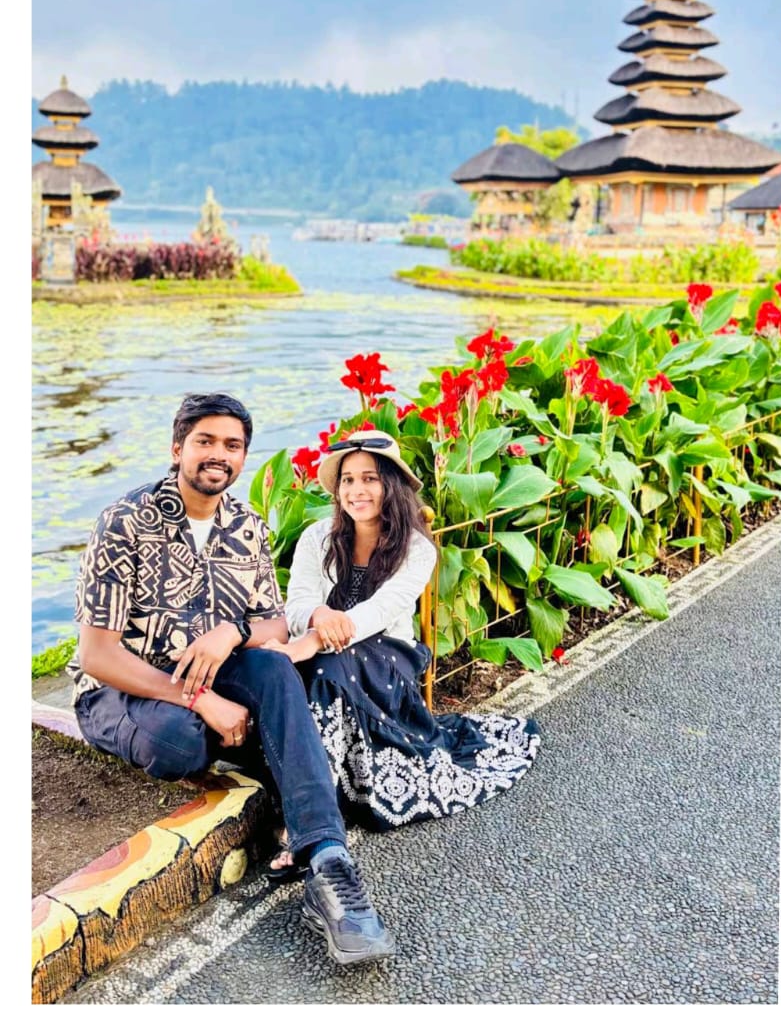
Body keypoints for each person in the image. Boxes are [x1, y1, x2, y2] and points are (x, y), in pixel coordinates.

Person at [71, 394, 395, 966]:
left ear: (243, 456)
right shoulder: (125, 523)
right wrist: (202, 700)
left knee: (273, 666)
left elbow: (272, 624)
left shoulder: (246, 527)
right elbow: (97, 655)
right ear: (178, 448)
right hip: (125, 686)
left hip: (213, 668)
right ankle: (249, 748)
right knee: (181, 742)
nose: (218, 454)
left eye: (232, 445)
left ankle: (327, 860)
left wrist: (231, 631)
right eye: (205, 441)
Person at [262, 430, 540, 867]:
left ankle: (306, 825)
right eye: (348, 480)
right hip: (325, 652)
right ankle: (315, 807)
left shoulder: (415, 548)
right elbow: (296, 603)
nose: (356, 490)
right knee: (292, 671)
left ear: (390, 484)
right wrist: (317, 615)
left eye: (369, 479)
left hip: (388, 657)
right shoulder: (317, 537)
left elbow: (379, 611)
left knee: (324, 669)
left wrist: (315, 639)